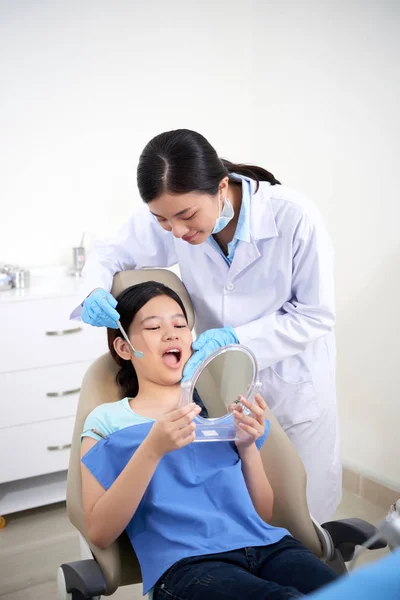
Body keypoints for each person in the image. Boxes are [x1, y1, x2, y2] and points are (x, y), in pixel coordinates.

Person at [72, 128, 341, 523]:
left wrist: (238, 338)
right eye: (162, 221)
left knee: (307, 522)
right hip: (220, 388)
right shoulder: (176, 215)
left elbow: (315, 314)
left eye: (185, 216)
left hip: (292, 385)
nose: (177, 232)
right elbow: (110, 251)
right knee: (242, 518)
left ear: (221, 186)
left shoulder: (293, 217)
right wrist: (94, 288)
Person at [80, 281, 338, 599]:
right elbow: (100, 533)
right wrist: (152, 449)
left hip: (269, 546)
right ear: (123, 348)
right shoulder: (107, 422)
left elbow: (263, 514)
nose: (172, 334)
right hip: (187, 566)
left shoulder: (220, 409)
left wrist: (247, 449)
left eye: (179, 324)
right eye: (153, 327)